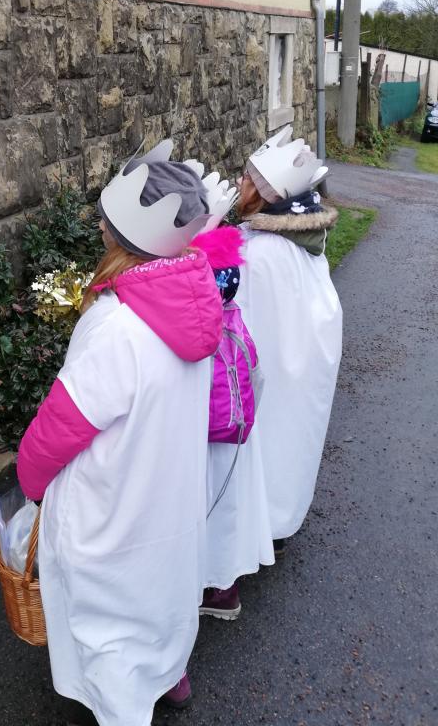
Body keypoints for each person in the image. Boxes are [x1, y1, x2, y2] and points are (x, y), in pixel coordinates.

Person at [17, 141, 223, 726]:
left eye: (105, 219)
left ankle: (124, 707)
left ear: (121, 235)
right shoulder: (192, 301)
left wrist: (31, 480)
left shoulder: (117, 324)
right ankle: (168, 671)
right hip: (169, 490)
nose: (99, 225)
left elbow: (64, 423)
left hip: (115, 499)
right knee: (162, 585)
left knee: (109, 611)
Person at [235, 127, 343, 550]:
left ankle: (253, 531)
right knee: (291, 442)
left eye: (248, 178)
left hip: (275, 371)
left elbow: (238, 319)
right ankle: (277, 523)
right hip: (300, 363)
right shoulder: (300, 241)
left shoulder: (260, 253)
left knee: (268, 441)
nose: (240, 182)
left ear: (265, 194)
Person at [184, 161, 275, 621]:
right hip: (234, 427)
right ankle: (225, 585)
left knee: (202, 506)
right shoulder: (234, 319)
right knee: (229, 503)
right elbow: (256, 372)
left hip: (202, 434)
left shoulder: (188, 328)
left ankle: (207, 585)